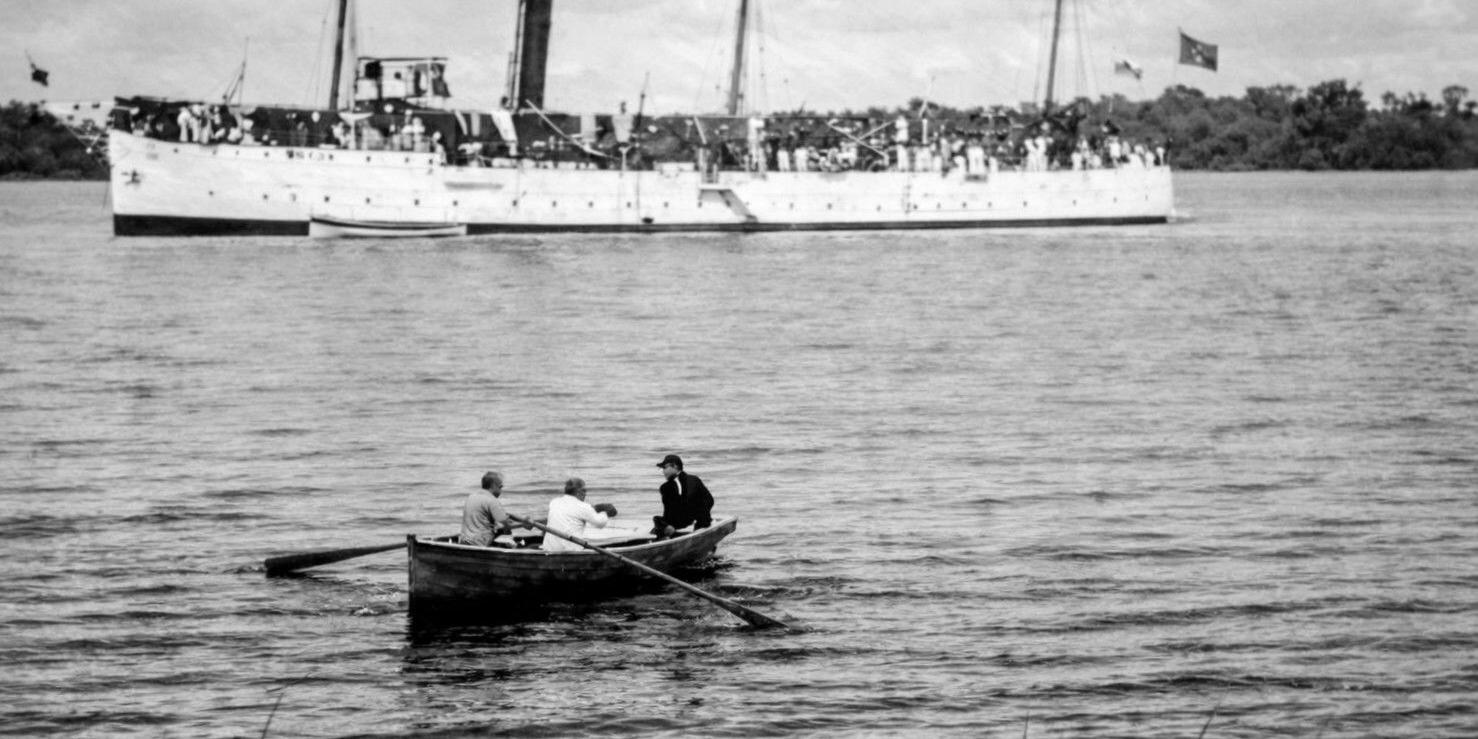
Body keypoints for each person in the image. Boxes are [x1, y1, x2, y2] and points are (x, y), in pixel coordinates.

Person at [541, 477, 617, 552]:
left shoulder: (554, 502)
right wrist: (605, 513)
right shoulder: (584, 507)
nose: (585, 494)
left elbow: (574, 510)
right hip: (571, 551)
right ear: (579, 492)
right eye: (585, 491)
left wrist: (595, 508)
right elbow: (600, 523)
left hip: (549, 550)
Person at [652, 454, 713, 540]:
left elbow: (669, 513)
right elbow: (710, 500)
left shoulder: (666, 487)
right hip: (702, 523)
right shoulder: (695, 479)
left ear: (675, 466)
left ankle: (665, 538)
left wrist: (665, 526)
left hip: (682, 524)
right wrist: (702, 519)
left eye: (665, 467)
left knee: (657, 520)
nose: (663, 472)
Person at [460, 471, 514, 547]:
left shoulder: (472, 496)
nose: (501, 491)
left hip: (464, 541)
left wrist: (521, 520)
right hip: (480, 543)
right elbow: (504, 523)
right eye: (500, 487)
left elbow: (503, 515)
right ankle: (510, 547)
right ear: (493, 486)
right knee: (504, 530)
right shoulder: (492, 500)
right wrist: (523, 525)